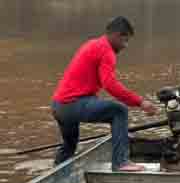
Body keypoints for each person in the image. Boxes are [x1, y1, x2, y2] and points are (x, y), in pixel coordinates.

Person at [51, 16, 157, 171]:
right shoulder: (107, 51)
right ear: (117, 35)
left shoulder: (93, 44)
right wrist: (140, 102)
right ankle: (121, 162)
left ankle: (56, 171)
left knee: (69, 145)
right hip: (73, 104)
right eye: (125, 40)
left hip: (58, 107)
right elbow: (110, 85)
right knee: (119, 111)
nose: (125, 46)